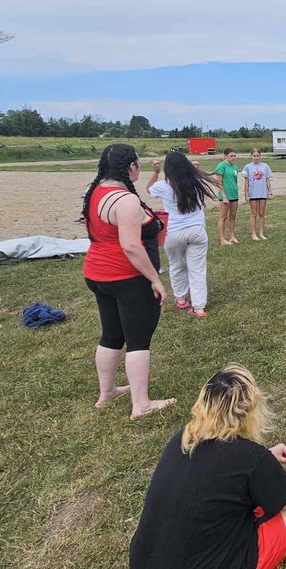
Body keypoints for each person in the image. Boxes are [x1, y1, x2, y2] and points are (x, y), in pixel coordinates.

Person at [129, 365, 286, 569]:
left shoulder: (182, 439)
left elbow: (219, 474)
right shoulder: (249, 457)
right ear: (250, 409)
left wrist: (265, 458)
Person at [81, 143, 175, 420]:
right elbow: (131, 247)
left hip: (97, 273)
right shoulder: (126, 201)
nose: (139, 168)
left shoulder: (96, 191)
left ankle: (107, 392)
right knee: (138, 340)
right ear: (130, 167)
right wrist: (155, 279)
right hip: (126, 277)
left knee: (111, 334)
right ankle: (141, 404)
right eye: (138, 163)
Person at [147, 150, 216, 318]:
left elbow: (149, 189)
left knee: (176, 265)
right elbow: (195, 174)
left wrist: (155, 173)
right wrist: (195, 168)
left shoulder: (164, 186)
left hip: (174, 232)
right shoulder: (196, 182)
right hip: (197, 231)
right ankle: (199, 307)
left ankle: (181, 298)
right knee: (197, 269)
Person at [242, 149, 274, 241]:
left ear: (260, 156)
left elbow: (267, 180)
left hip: (263, 193)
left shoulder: (265, 166)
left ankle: (261, 233)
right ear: (251, 156)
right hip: (253, 193)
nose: (256, 157)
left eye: (257, 156)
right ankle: (253, 234)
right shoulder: (247, 167)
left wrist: (270, 191)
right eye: (254, 156)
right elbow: (246, 181)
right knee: (253, 214)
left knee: (261, 213)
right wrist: (246, 194)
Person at [214, 148, 241, 245]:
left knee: (233, 216)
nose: (233, 158)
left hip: (234, 194)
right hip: (225, 196)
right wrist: (224, 196)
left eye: (234, 156)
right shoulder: (221, 166)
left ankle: (232, 236)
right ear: (225, 156)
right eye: (231, 156)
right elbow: (218, 183)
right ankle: (222, 239)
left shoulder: (235, 167)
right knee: (223, 217)